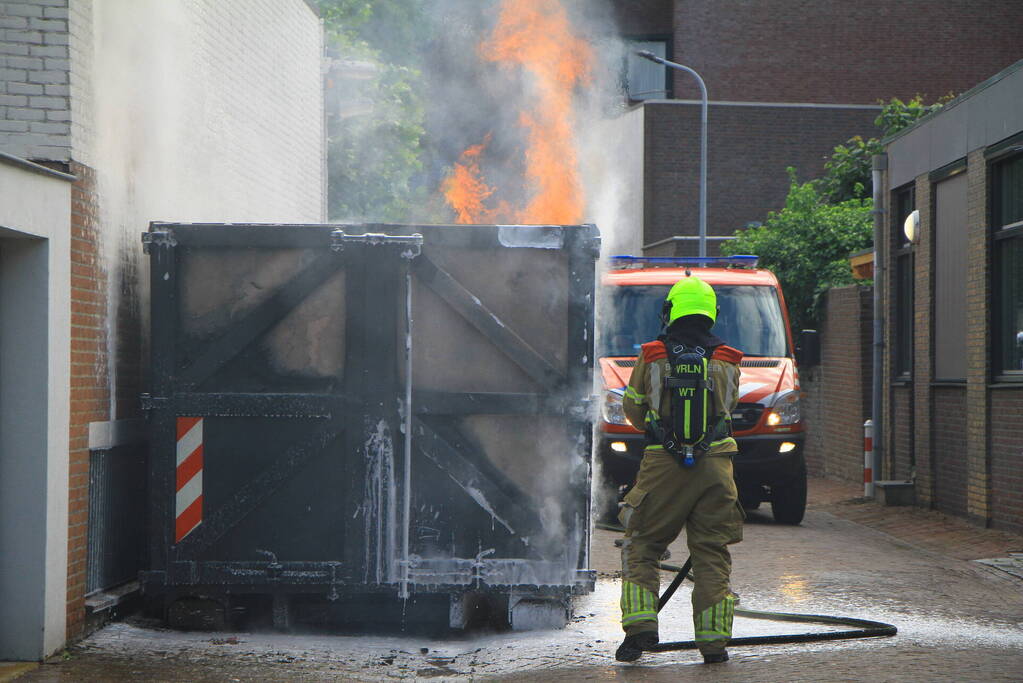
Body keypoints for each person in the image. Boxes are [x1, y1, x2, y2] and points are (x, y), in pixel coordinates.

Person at [615, 273, 745, 664]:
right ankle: (714, 645)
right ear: (711, 313)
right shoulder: (728, 358)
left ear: (671, 310)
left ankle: (640, 633)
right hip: (716, 467)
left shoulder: (653, 354)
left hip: (662, 467)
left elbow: (635, 412)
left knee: (642, 544)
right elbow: (730, 409)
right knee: (711, 553)